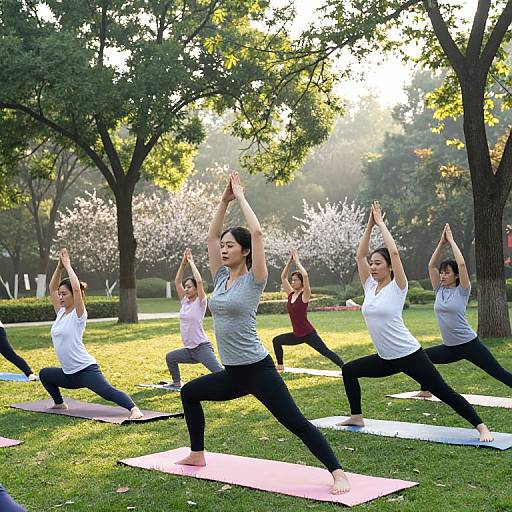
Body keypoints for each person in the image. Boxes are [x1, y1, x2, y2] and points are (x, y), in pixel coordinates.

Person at [176, 172, 350, 494]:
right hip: (232, 373)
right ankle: (197, 454)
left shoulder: (256, 278)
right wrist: (223, 201)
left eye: (231, 246)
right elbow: (211, 238)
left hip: (258, 370)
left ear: (244, 251)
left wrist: (240, 196)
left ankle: (338, 471)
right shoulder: (220, 279)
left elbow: (257, 232)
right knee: (189, 393)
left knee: (295, 422)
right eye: (224, 246)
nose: (224, 249)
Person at [338, 201, 493, 443]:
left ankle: (481, 426)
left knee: (443, 391)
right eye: (373, 264)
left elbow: (396, 253)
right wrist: (368, 227)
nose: (373, 266)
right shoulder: (369, 286)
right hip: (385, 358)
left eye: (378, 263)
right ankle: (356, 416)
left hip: (409, 354)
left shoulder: (399, 286)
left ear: (390, 267)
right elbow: (360, 256)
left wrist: (381, 224)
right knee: (349, 370)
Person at [39, 248, 143, 420]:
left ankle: (133, 408)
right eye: (60, 295)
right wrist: (59, 268)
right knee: (45, 374)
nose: (60, 297)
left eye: (64, 294)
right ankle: (59, 403)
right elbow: (51, 289)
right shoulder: (60, 313)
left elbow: (77, 289)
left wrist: (69, 266)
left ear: (73, 295)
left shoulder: (78, 315)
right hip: (68, 374)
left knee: (107, 392)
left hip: (85, 370)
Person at [416, 224, 512, 397]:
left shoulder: (463, 290)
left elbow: (461, 264)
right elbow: (431, 267)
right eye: (442, 273)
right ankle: (425, 390)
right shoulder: (439, 289)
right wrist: (441, 243)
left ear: (456, 275)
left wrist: (451, 241)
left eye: (447, 273)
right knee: (422, 358)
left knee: (498, 372)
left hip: (469, 345)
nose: (443, 276)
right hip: (449, 347)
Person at [272, 249, 344, 371]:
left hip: (308, 333)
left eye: (295, 280)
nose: (293, 282)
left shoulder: (305, 295)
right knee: (276, 341)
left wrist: (297, 262)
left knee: (325, 351)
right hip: (296, 334)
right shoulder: (290, 294)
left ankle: (344, 367)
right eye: (292, 280)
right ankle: (280, 366)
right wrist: (290, 262)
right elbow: (283, 278)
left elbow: (305, 275)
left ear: (301, 282)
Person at [163, 248, 223, 390]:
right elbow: (177, 282)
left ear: (196, 289)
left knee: (219, 373)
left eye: (189, 287)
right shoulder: (185, 301)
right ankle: (177, 383)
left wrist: (191, 262)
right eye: (186, 287)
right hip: (189, 351)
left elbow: (200, 281)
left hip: (202, 348)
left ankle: (237, 384)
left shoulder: (201, 302)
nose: (186, 289)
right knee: (170, 357)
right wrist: (183, 263)